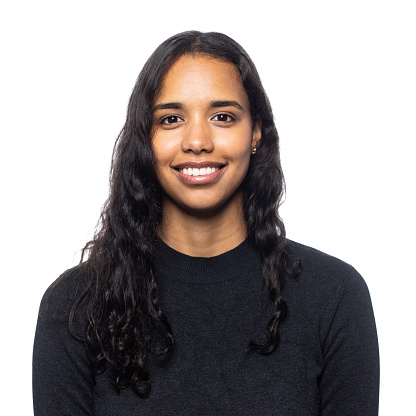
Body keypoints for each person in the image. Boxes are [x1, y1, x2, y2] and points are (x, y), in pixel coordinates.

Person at [33, 31, 379, 415]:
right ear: (145, 138)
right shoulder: (73, 308)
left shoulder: (334, 297)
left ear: (256, 132)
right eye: (171, 119)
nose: (197, 141)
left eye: (223, 117)